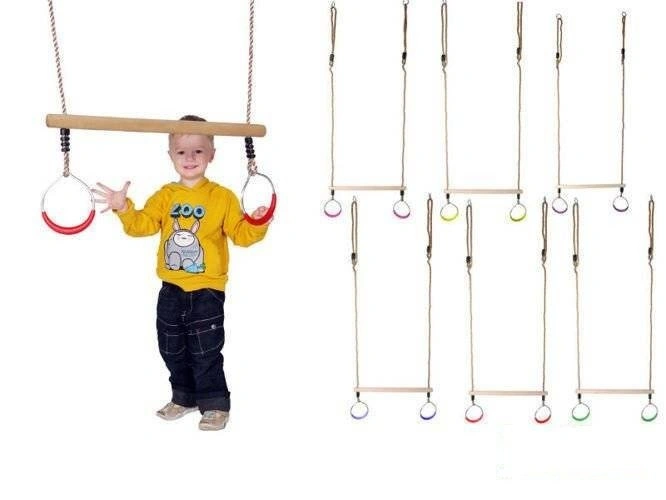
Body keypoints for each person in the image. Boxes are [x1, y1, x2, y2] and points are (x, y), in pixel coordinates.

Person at [93, 115, 270, 430]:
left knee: (206, 349)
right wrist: (124, 208)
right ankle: (184, 397)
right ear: (170, 155)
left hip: (207, 290)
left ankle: (215, 404)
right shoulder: (165, 196)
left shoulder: (222, 197)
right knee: (170, 347)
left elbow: (241, 235)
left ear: (212, 154)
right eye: (181, 152)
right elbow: (142, 226)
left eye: (198, 151)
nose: (189, 158)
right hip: (171, 288)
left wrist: (258, 222)